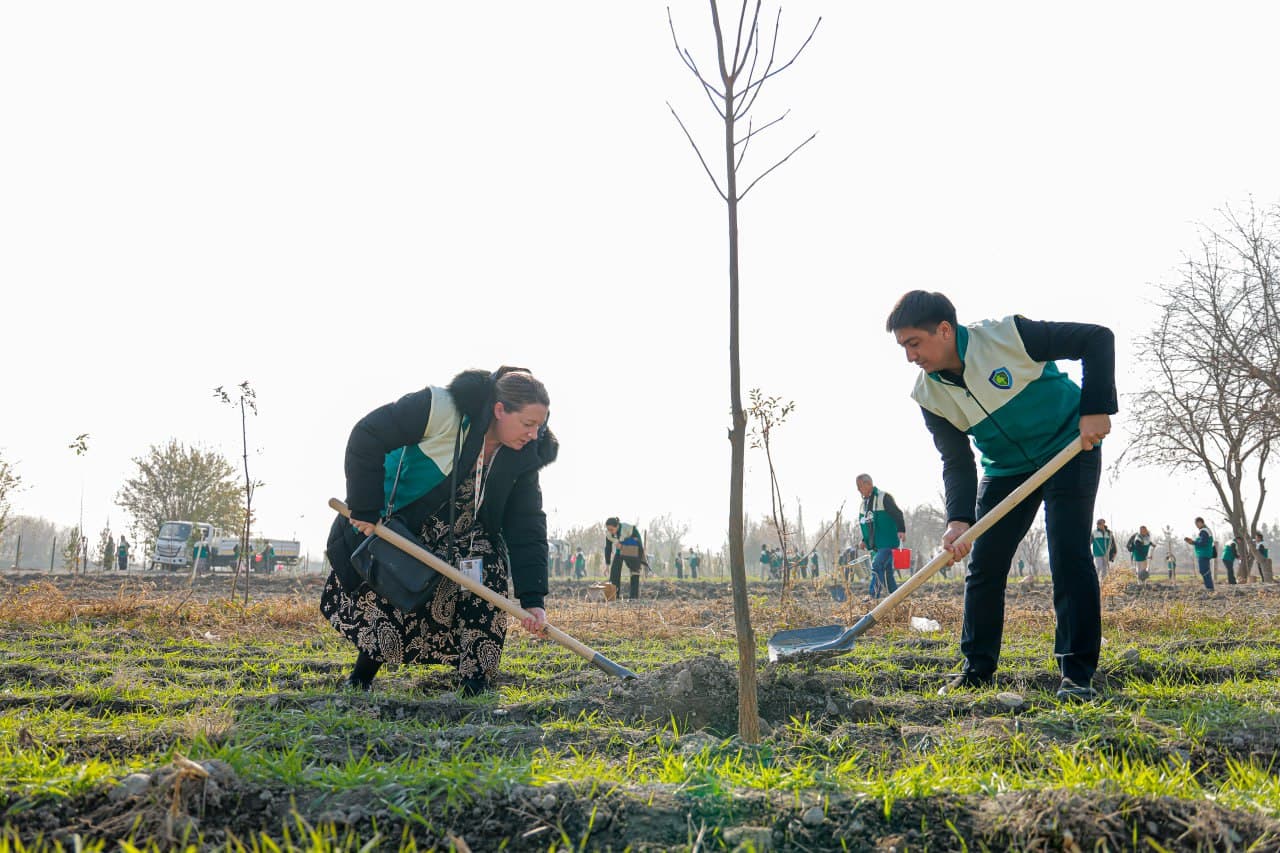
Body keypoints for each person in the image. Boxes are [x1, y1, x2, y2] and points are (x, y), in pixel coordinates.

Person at [887, 290, 1116, 702]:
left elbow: (1096, 339)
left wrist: (1096, 408)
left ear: (944, 330)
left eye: (914, 344)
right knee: (984, 565)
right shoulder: (929, 395)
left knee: (1068, 555)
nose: (910, 357)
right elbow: (957, 461)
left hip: (1068, 446)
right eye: (903, 347)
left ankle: (1077, 674)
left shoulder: (1009, 336)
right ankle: (977, 668)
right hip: (1006, 469)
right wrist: (958, 520)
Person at [322, 367, 555, 695]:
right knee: (397, 591)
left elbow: (526, 524)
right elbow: (368, 434)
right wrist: (365, 507)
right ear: (500, 410)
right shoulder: (442, 409)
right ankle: (360, 679)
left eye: (539, 426)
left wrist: (533, 599)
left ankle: (474, 686)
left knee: (487, 584)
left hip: (473, 535)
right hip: (416, 522)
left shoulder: (523, 455)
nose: (533, 435)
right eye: (528, 424)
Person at [856, 474, 907, 599]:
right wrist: (864, 540)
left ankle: (873, 597)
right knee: (887, 574)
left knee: (877, 565)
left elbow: (898, 513)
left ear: (868, 484)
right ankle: (896, 598)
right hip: (877, 545)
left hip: (888, 542)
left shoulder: (883, 497)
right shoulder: (863, 504)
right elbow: (868, 524)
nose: (858, 489)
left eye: (860, 486)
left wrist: (901, 530)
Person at [604, 517, 645, 600]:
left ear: (617, 526)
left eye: (611, 529)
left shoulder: (628, 529)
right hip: (620, 550)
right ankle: (614, 596)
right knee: (614, 570)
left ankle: (633, 598)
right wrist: (607, 565)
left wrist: (625, 546)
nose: (610, 531)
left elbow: (638, 541)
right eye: (608, 529)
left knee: (634, 571)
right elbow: (608, 548)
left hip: (632, 548)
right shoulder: (609, 534)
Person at [1183, 517, 1215, 591]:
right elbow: (1201, 542)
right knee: (1205, 570)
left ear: (1201, 522)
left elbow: (1203, 542)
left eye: (1197, 523)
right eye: (1195, 524)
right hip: (1205, 553)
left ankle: (1209, 587)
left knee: (1204, 570)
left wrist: (1193, 542)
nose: (1196, 525)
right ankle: (1209, 587)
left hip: (1204, 553)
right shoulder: (1205, 530)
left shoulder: (1204, 531)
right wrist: (1193, 542)